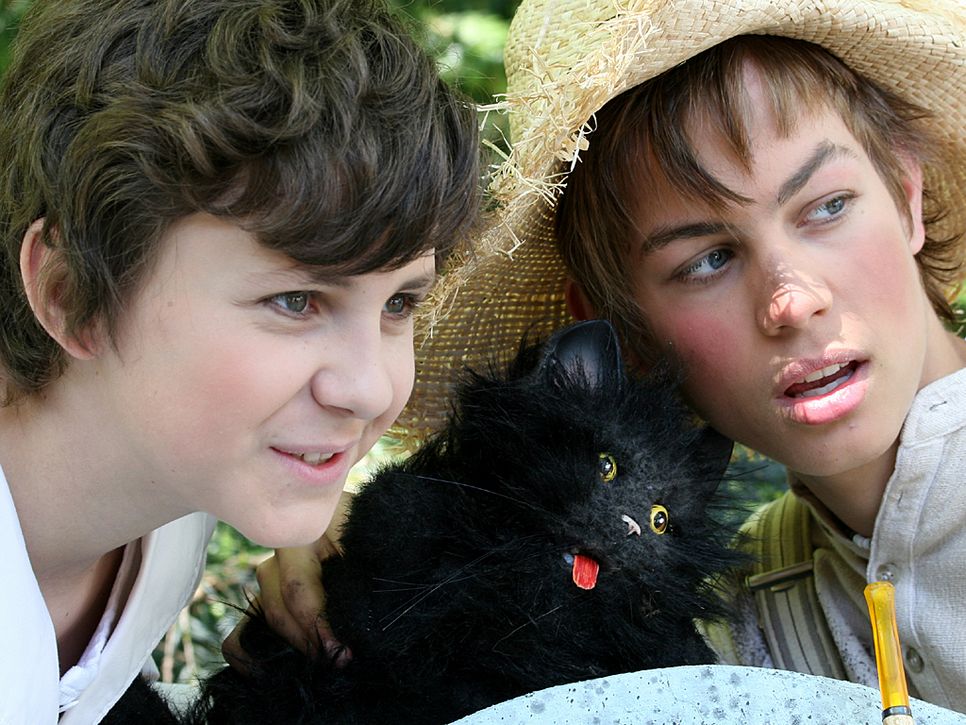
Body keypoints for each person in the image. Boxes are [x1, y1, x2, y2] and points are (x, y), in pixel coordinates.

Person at [387, 0, 966, 714]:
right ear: (621, 334)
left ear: (907, 197)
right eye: (707, 261)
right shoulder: (717, 618)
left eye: (827, 207)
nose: (791, 301)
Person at [0, 0, 478, 721]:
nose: (371, 389)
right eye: (296, 301)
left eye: (399, 304)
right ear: (73, 295)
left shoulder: (168, 506)